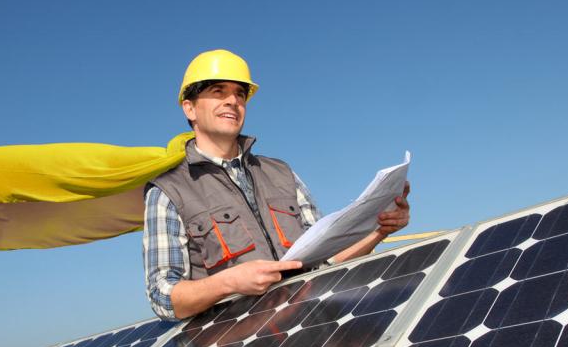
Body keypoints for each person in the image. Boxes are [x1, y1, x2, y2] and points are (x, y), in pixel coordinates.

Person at [143, 49, 410, 320]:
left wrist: (379, 229)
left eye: (240, 94)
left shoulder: (281, 173)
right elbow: (162, 296)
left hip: (312, 326)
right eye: (218, 91)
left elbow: (324, 262)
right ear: (189, 108)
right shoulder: (168, 191)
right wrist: (228, 283)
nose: (232, 101)